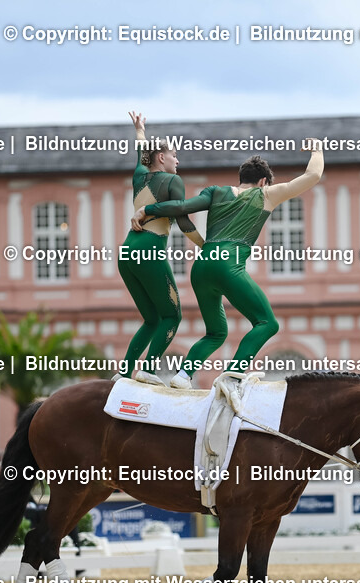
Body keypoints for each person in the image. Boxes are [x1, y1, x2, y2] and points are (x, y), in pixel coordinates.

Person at [132, 141, 325, 389]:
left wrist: (146, 209)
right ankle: (233, 376)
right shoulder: (266, 194)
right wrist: (317, 149)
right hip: (228, 265)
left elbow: (182, 207)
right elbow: (313, 175)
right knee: (267, 323)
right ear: (263, 181)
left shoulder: (215, 191)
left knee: (216, 332)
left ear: (241, 177)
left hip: (201, 267)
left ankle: (183, 375)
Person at [119, 111, 204, 385]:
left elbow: (140, 153)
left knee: (151, 319)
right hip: (149, 249)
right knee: (172, 316)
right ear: (160, 157)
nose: (177, 161)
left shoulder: (139, 176)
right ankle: (148, 369)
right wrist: (205, 246)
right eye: (174, 155)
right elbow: (182, 219)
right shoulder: (173, 181)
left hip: (127, 252)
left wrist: (140, 130)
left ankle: (123, 373)